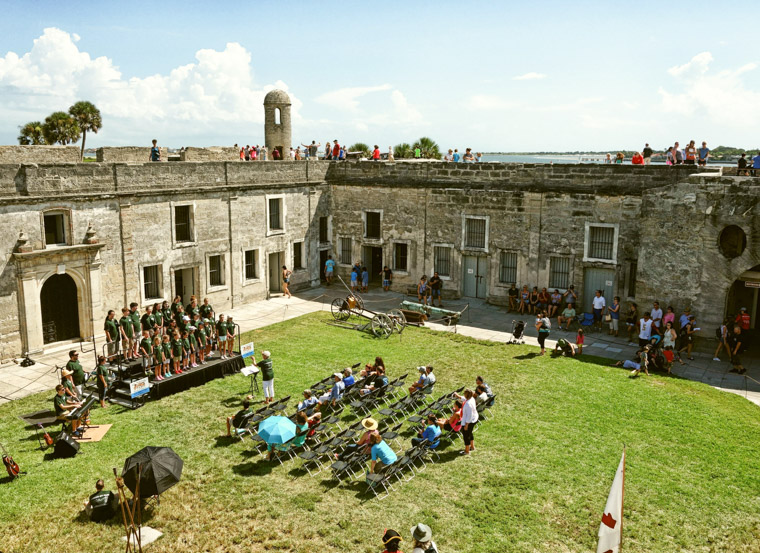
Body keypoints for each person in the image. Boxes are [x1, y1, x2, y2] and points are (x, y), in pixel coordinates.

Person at [457, 389, 478, 455]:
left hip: (469, 421)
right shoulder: (472, 399)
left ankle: (467, 451)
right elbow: (465, 399)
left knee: (466, 436)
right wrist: (458, 396)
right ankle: (472, 446)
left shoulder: (468, 404)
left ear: (467, 395)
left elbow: (469, 415)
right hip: (474, 419)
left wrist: (466, 425)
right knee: (470, 433)